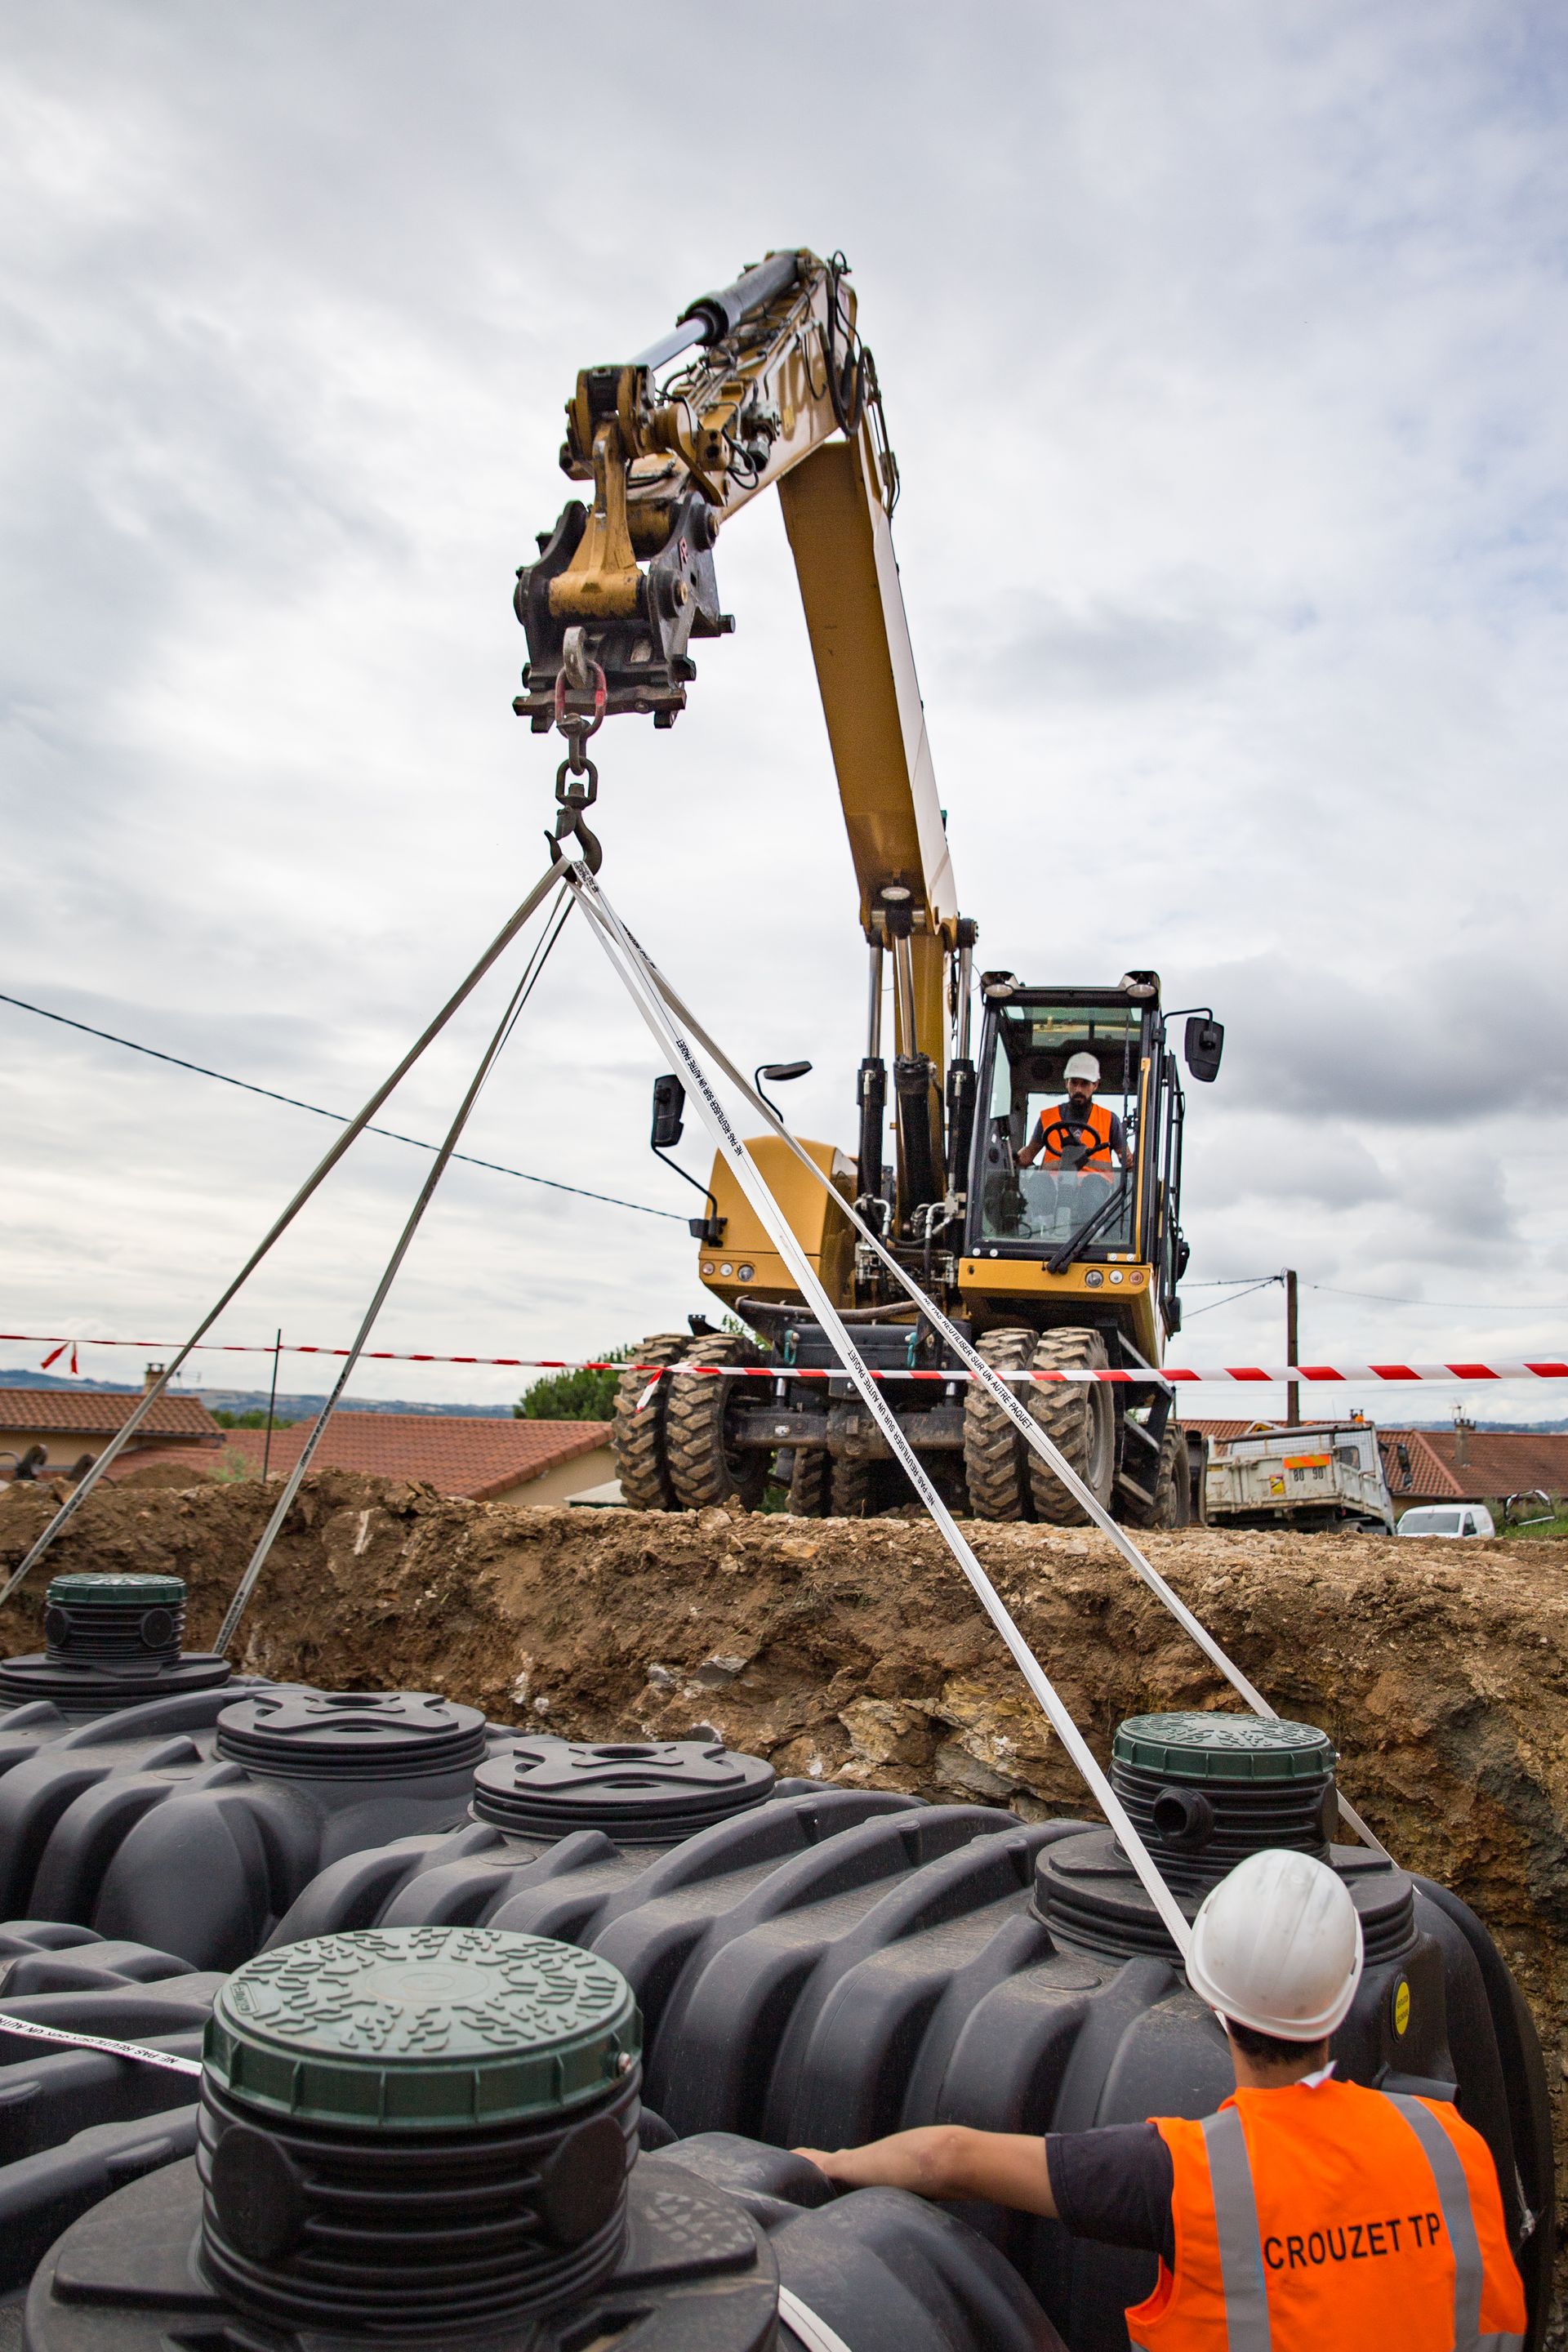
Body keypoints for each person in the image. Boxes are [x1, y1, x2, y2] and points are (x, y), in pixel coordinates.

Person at [795, 1849, 1526, 2351]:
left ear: (1209, 1997)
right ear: (1345, 1996)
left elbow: (945, 2155)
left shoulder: (1182, 2173)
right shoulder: (1451, 2141)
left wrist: (829, 2163)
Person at [1017, 1052, 1132, 1177]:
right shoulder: (1047, 1118)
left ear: (1095, 1085)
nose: (1078, 1090)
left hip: (1100, 1194)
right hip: (1051, 1192)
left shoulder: (1109, 1120)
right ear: (1067, 1083)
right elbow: (1028, 1155)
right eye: (1074, 1083)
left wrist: (1128, 1159)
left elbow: (1127, 1160)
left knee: (1095, 1187)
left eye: (1084, 1084)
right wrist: (1013, 1158)